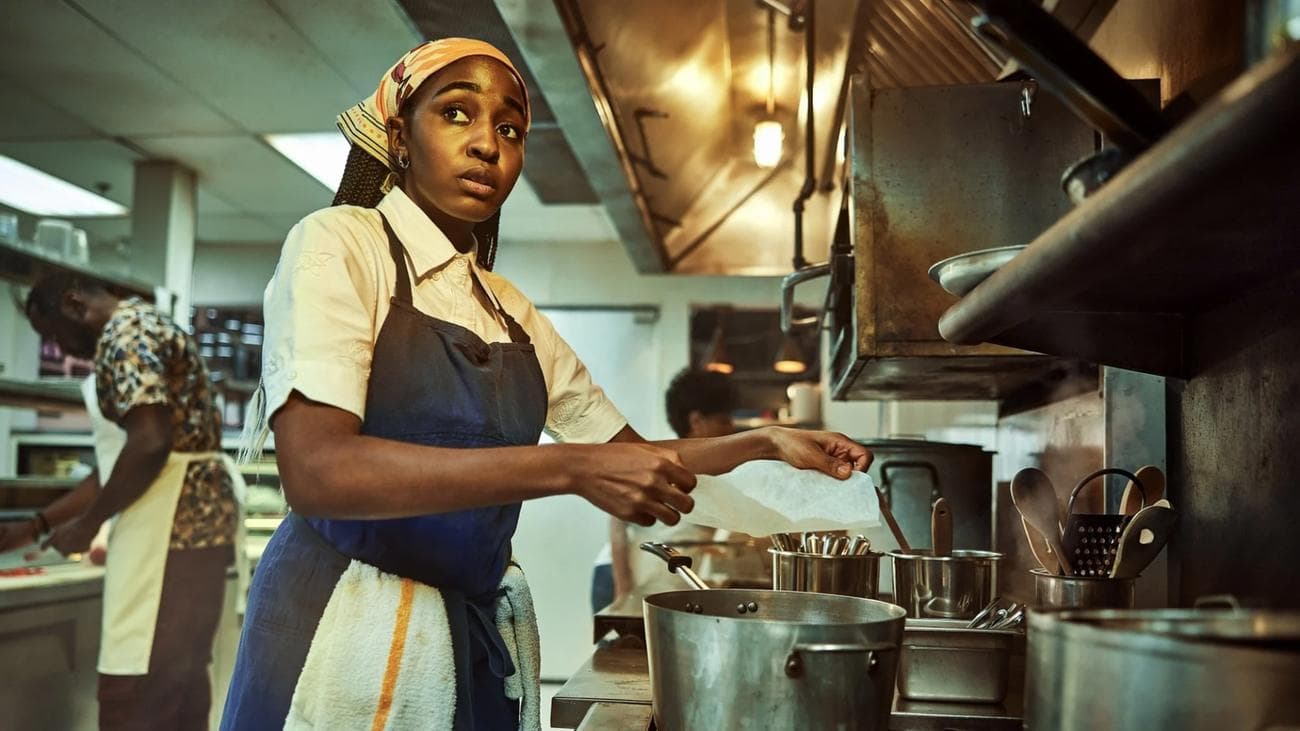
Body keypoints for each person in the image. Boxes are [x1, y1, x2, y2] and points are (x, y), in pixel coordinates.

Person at [220, 38, 870, 730]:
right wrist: (569, 467)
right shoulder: (340, 244)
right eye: (456, 114)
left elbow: (627, 455)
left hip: (461, 644)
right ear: (399, 137)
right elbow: (319, 471)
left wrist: (765, 441)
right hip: (339, 632)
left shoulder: (507, 308)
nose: (486, 145)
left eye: (508, 129)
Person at [14, 274, 240, 730]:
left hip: (172, 533)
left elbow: (150, 444)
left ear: (74, 303)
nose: (59, 348)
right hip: (190, 529)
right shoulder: (144, 324)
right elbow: (120, 462)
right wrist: (38, 525)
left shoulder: (125, 335)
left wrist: (85, 526)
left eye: (54, 333)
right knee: (178, 692)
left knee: (136, 697)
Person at [592, 369, 738, 613]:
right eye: (723, 420)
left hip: (657, 579)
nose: (731, 427)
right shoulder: (663, 462)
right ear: (696, 421)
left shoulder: (713, 468)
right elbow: (617, 522)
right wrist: (624, 588)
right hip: (620, 575)